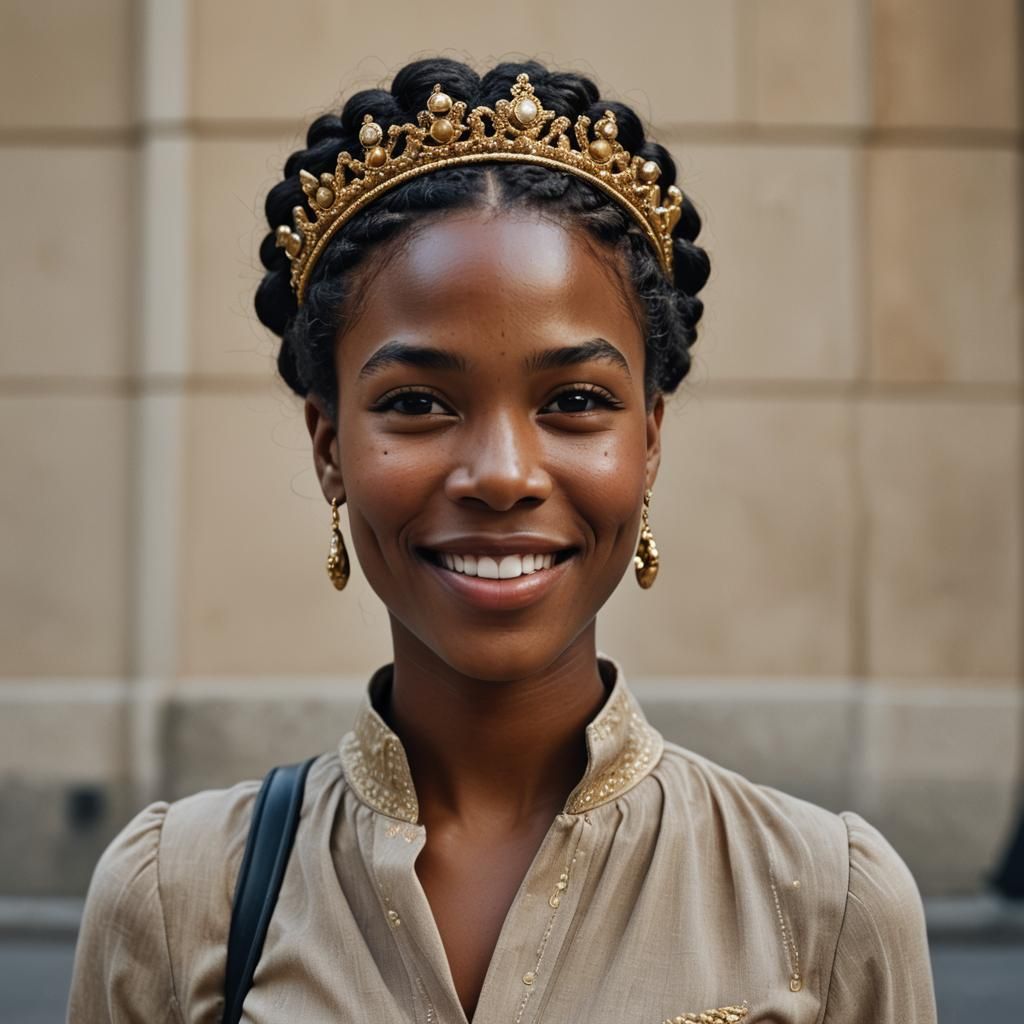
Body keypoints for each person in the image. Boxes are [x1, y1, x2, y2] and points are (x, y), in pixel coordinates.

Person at [67, 57, 937, 1023]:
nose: (503, 473)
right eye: (417, 404)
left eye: (574, 402)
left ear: (648, 442)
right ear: (330, 447)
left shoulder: (825, 903)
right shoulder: (178, 896)